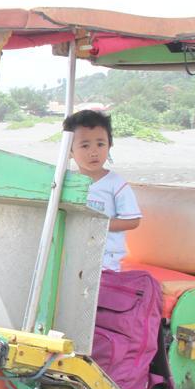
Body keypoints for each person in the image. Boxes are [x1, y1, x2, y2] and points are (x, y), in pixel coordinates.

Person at [63, 109, 141, 271]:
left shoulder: (116, 184)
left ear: (109, 145)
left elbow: (133, 220)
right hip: (72, 253)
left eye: (100, 144)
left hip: (105, 260)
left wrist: (98, 224)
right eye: (85, 145)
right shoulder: (67, 182)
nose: (94, 152)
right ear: (70, 151)